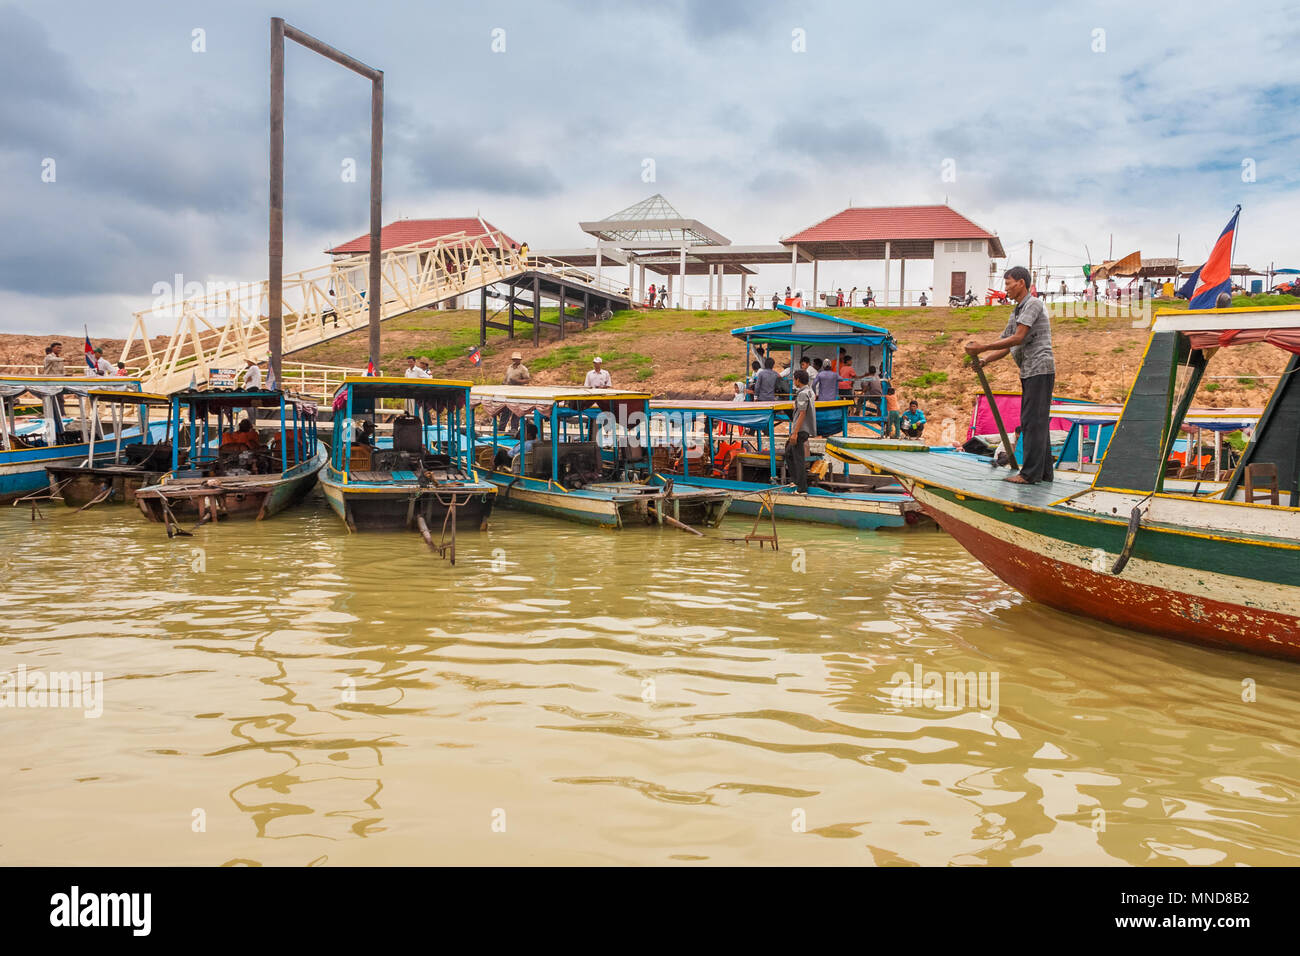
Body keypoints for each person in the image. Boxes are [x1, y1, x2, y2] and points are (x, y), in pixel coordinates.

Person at [965, 265, 1055, 484]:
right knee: (1037, 421)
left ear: (1021, 283)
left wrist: (983, 347)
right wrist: (985, 360)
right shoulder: (1017, 311)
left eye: (1008, 284)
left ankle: (1030, 474)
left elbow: (1018, 338)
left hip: (1039, 368)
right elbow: (1006, 345)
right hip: (1030, 370)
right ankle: (1044, 472)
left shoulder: (1033, 304)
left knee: (1032, 421)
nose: (1006, 289)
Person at [786, 369, 814, 494]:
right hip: (804, 428)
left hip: (800, 429)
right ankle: (796, 480)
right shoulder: (809, 391)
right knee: (788, 452)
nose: (794, 381)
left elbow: (802, 413)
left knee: (798, 459)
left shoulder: (803, 394)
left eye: (794, 379)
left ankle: (802, 488)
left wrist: (795, 433)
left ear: (798, 380)